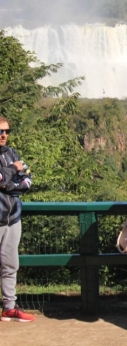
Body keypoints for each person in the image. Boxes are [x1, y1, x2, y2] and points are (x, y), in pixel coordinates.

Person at [0, 117, 35, 322]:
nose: (3, 135)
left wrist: (8, 185)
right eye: (0, 131)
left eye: (6, 131)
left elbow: (28, 180)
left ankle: (9, 307)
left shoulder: (13, 153)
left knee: (11, 264)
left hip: (12, 218)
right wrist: (13, 170)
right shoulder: (14, 160)